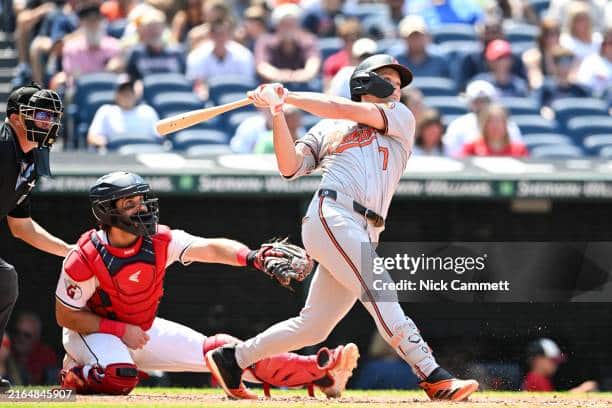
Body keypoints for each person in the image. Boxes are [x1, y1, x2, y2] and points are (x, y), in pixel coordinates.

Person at [205, 54, 479, 401]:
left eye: (399, 83)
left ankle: (234, 358)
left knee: (314, 325)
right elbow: (290, 168)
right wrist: (277, 113)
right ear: (367, 81)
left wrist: (285, 95)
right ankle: (432, 373)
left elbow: (342, 110)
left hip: (365, 229)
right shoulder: (327, 129)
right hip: (332, 214)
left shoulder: (400, 116)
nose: (397, 88)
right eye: (391, 80)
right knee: (380, 291)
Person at [56, 172, 359, 397]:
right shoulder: (84, 257)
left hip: (142, 330)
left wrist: (252, 257)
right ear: (108, 211)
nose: (142, 209)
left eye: (142, 201)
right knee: (119, 377)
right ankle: (77, 373)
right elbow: (66, 316)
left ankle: (322, 373)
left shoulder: (159, 241)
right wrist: (121, 331)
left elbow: (210, 248)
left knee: (223, 353)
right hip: (92, 334)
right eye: (130, 203)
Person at [0, 83, 72, 393]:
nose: (48, 122)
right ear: (16, 118)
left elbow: (22, 227)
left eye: (51, 116)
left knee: (4, 281)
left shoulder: (30, 160)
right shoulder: (2, 146)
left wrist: (69, 251)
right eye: (41, 114)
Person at [443, 80, 523, 156]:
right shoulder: (458, 125)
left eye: (485, 101)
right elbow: (453, 156)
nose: (481, 105)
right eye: (477, 101)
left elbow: (517, 151)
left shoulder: (510, 125)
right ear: (470, 102)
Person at [186, 18, 256, 99]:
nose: (220, 38)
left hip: (238, 99)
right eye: (216, 34)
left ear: (229, 35)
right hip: (210, 102)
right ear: (210, 35)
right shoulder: (196, 56)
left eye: (223, 33)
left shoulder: (243, 54)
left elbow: (247, 84)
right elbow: (197, 85)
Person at [254, 3, 321, 86]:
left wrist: (297, 76)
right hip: (273, 88)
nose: (288, 28)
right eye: (284, 24)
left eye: (292, 23)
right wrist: (282, 75)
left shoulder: (308, 40)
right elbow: (262, 67)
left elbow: (313, 66)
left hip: (302, 88)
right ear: (277, 26)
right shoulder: (265, 41)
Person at [87, 75, 161, 149]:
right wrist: (103, 142)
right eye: (123, 92)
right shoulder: (105, 111)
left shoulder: (148, 111)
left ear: (135, 94)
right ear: (116, 95)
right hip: (115, 157)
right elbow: (92, 137)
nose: (127, 95)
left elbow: (159, 138)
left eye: (129, 92)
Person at [522, 338, 598, 392]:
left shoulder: (540, 378)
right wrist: (581, 390)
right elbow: (550, 403)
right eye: (552, 360)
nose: (556, 364)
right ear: (538, 360)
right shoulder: (535, 379)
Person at [461, 104, 528, 157]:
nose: (495, 126)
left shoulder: (519, 150)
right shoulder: (472, 148)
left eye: (499, 121)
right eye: (490, 121)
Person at [10, 312, 58, 385]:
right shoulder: (6, 352)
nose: (20, 338)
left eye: (27, 335)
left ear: (37, 339)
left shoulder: (46, 356)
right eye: (17, 332)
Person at [522, 18, 563, 89]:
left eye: (556, 34)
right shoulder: (532, 56)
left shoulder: (565, 55)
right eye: (550, 34)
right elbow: (535, 83)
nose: (553, 38)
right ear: (542, 37)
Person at [576, 28, 612, 98]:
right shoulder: (591, 61)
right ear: (603, 45)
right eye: (610, 43)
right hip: (597, 101)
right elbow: (583, 85)